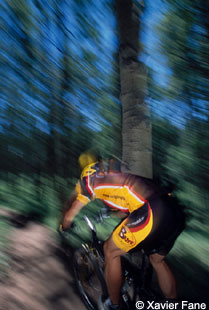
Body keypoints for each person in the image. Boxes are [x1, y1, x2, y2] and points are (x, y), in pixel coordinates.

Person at [59, 155, 185, 310]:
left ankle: (114, 305)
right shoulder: (111, 170)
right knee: (157, 260)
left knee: (110, 250)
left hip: (151, 210)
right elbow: (126, 198)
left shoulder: (88, 180)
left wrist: (64, 226)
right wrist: (107, 212)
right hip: (173, 209)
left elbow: (72, 209)